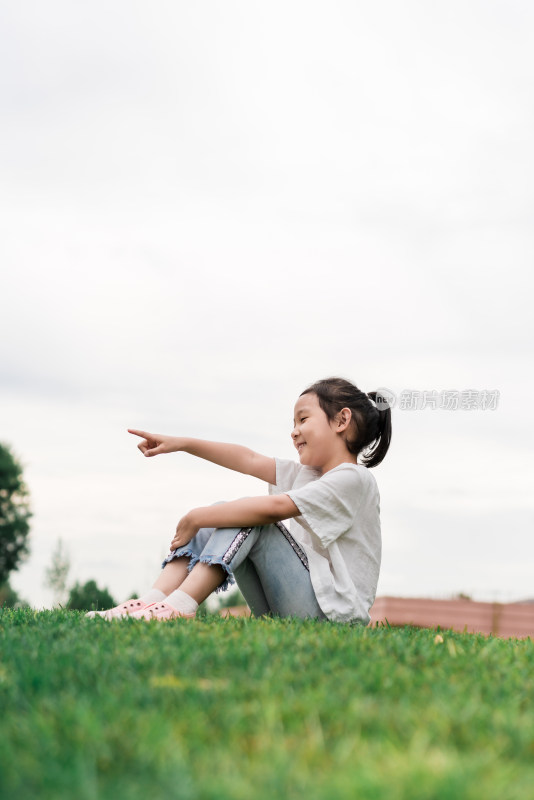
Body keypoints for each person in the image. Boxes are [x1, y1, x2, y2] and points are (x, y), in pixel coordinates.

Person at [88, 377, 392, 624]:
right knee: (222, 512)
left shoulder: (354, 479)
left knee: (243, 516)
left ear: (342, 420)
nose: (294, 431)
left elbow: (274, 509)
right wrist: (181, 444)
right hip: (292, 605)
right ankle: (152, 602)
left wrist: (197, 517)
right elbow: (247, 459)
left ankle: (178, 607)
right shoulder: (307, 475)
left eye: (303, 419)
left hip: (330, 616)